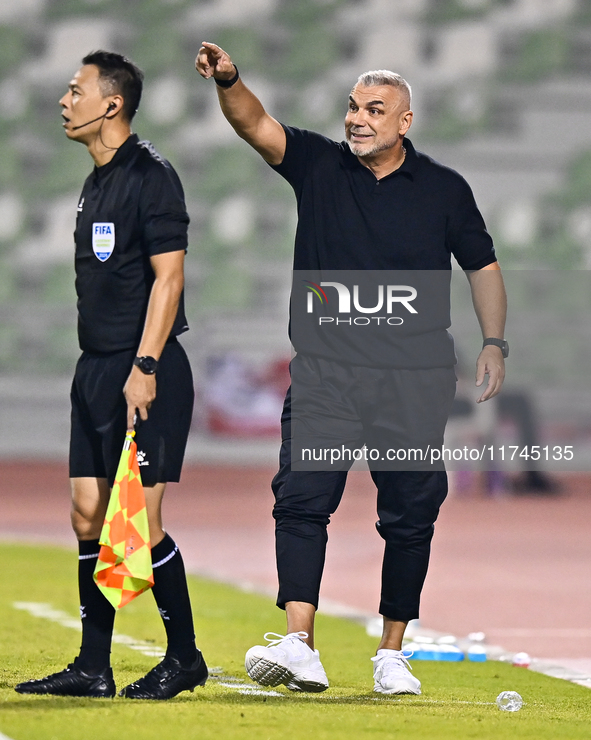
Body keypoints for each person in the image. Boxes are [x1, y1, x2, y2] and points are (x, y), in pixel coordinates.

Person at [195, 42, 507, 695]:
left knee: (410, 508)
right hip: (325, 373)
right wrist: (230, 80)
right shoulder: (315, 165)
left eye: (374, 108)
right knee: (302, 500)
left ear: (404, 122)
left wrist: (493, 341)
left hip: (413, 376)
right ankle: (299, 643)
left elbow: (481, 264)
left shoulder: (445, 189)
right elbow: (254, 124)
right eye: (351, 106)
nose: (357, 118)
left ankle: (392, 654)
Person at [15, 51, 207, 700]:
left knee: (141, 524)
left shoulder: (150, 176)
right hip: (93, 367)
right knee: (86, 513)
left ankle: (184, 657)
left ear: (111, 104)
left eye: (76, 91)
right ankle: (93, 667)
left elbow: (169, 277)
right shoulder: (95, 178)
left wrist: (145, 366)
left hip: (142, 370)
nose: (65, 101)